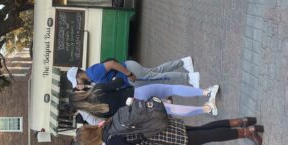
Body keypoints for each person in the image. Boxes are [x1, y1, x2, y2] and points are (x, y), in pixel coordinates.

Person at [75, 116, 264, 145]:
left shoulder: (111, 141)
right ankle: (242, 121)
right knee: (202, 129)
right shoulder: (109, 122)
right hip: (163, 123)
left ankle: (248, 132)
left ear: (91, 143)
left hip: (163, 137)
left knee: (208, 136)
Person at [69, 77, 221, 118]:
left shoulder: (95, 112)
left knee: (171, 109)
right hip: (136, 93)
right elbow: (120, 82)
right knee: (171, 89)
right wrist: (114, 80)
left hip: (138, 108)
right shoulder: (97, 89)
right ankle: (206, 92)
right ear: (79, 94)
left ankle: (206, 109)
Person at [66, 57, 200, 89]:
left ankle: (189, 77)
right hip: (129, 69)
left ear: (78, 75)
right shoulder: (91, 75)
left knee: (160, 78)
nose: (77, 85)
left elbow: (111, 63)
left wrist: (129, 74)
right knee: (157, 72)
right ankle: (184, 62)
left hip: (130, 74)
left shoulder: (93, 74)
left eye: (76, 82)